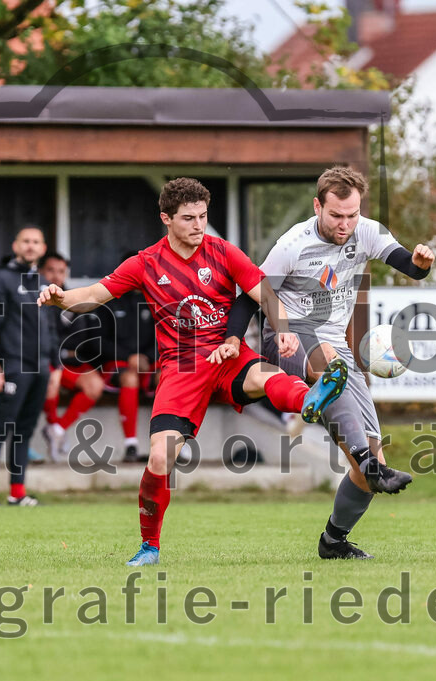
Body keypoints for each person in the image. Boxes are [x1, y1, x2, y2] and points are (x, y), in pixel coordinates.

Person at [38, 177, 347, 566]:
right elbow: (96, 295)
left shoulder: (223, 252)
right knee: (159, 460)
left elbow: (263, 293)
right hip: (181, 368)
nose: (199, 225)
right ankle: (150, 546)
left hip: (226, 354)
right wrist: (60, 297)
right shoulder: (146, 263)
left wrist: (283, 330)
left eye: (203, 216)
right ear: (166, 218)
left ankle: (309, 399)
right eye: (188, 218)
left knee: (265, 376)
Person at [252, 165, 430, 559]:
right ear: (318, 206)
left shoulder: (367, 230)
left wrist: (421, 263)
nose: (345, 223)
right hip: (287, 336)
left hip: (336, 348)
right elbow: (257, 292)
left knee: (369, 470)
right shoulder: (292, 243)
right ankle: (309, 397)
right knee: (328, 360)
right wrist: (262, 332)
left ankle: (334, 541)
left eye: (352, 214)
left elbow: (408, 266)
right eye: (336, 215)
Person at [0, 226, 60, 506]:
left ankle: (17, 492)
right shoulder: (1, 278)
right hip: (14, 364)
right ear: (16, 245)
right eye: (25, 241)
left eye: (36, 241)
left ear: (43, 247)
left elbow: (50, 326)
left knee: (25, 430)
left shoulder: (42, 281)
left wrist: (55, 367)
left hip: (41, 367)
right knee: (1, 428)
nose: (30, 246)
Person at [38, 252, 104, 462]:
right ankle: (52, 423)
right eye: (50, 270)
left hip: (70, 363)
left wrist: (66, 352)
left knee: (95, 385)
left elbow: (81, 339)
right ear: (40, 272)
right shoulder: (33, 299)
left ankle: (56, 428)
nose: (56, 276)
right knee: (51, 380)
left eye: (61, 271)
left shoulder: (73, 299)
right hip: (45, 363)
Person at [96, 252, 159, 463]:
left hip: (147, 364)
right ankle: (130, 445)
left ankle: (174, 445)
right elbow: (97, 341)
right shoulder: (108, 300)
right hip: (117, 364)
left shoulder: (154, 299)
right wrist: (129, 356)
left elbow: (165, 335)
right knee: (129, 378)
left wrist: (148, 357)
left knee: (171, 378)